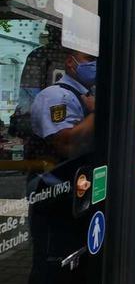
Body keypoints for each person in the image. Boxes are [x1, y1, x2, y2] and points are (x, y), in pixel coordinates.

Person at [27, 48, 96, 284]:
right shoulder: (57, 96)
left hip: (74, 192)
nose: (95, 66)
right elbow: (66, 144)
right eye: (90, 60)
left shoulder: (85, 95)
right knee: (53, 263)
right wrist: (101, 111)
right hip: (52, 193)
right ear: (71, 64)